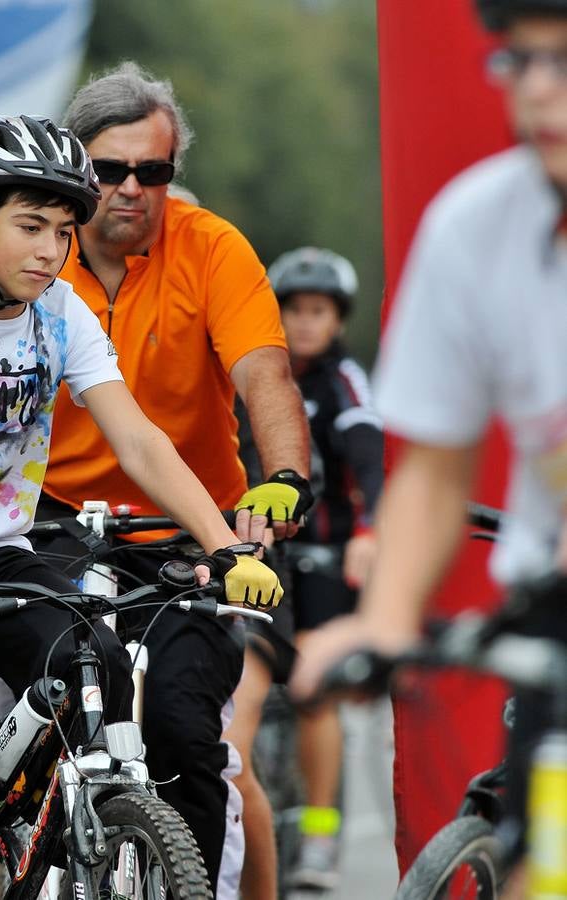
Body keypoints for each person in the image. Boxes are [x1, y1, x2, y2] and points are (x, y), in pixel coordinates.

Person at [0, 113, 282, 900]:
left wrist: (223, 548)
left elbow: (139, 442)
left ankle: (41, 846)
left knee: (101, 672)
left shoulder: (60, 312)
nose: (50, 251)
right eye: (30, 227)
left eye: (64, 232)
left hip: (1, 559)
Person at [294, 1, 567, 894]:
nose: (538, 90)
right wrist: (385, 618)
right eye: (521, 60)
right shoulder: (476, 225)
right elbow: (436, 470)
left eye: (564, 61)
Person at [29, 62, 313, 897]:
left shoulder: (212, 247)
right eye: (110, 170)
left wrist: (282, 477)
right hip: (55, 519)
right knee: (25, 715)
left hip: (193, 529)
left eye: (151, 171)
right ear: (76, 169)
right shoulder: (34, 253)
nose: (130, 189)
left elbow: (265, 376)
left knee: (186, 737)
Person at [256, 246, 384, 890]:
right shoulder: (257, 370)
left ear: (338, 320)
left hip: (328, 557)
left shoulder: (345, 381)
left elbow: (370, 454)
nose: (305, 323)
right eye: (294, 310)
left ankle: (320, 832)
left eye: (319, 311)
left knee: (311, 687)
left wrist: (372, 530)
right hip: (260, 554)